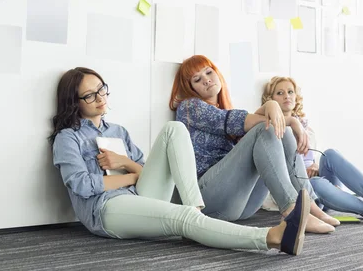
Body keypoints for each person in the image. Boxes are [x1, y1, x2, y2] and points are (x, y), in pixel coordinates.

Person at [49, 67, 311, 255]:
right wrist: (130, 176)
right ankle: (271, 237)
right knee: (181, 218)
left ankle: (194, 207)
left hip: (140, 194)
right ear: (75, 102)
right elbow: (81, 185)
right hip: (106, 208)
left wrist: (126, 164)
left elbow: (144, 169)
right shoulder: (67, 138)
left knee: (175, 129)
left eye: (101, 89)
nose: (100, 98)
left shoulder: (117, 131)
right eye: (90, 96)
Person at [170, 55, 339, 234]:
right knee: (267, 128)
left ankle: (310, 205)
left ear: (217, 73)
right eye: (197, 79)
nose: (206, 80)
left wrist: (274, 110)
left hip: (242, 206)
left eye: (209, 72)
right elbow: (236, 122)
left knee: (282, 131)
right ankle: (292, 211)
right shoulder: (190, 107)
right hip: (207, 199)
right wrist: (279, 111)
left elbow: (246, 127)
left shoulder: (221, 107)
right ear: (191, 88)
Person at [261, 76, 363, 223]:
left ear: (296, 97)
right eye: (280, 93)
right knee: (316, 183)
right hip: (301, 191)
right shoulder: (270, 129)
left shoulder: (306, 129)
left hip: (317, 182)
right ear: (272, 99)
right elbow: (277, 168)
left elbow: (309, 158)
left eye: (290, 92)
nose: (286, 96)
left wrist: (316, 166)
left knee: (330, 154)